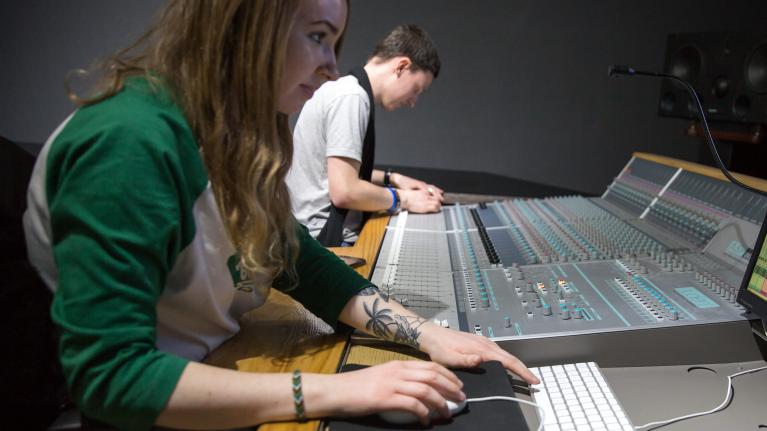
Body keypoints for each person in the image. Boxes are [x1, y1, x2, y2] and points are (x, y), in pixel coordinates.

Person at [23, 1, 537, 430]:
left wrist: (427, 333)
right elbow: (113, 377)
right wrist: (336, 391)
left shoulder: (234, 137)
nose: (332, 67)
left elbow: (299, 261)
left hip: (221, 366)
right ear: (245, 23)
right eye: (318, 36)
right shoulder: (128, 141)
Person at [287, 24, 445, 246]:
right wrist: (404, 199)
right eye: (416, 89)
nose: (412, 102)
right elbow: (344, 190)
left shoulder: (346, 90)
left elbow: (332, 171)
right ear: (402, 66)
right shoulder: (352, 97)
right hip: (323, 244)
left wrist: (393, 178)